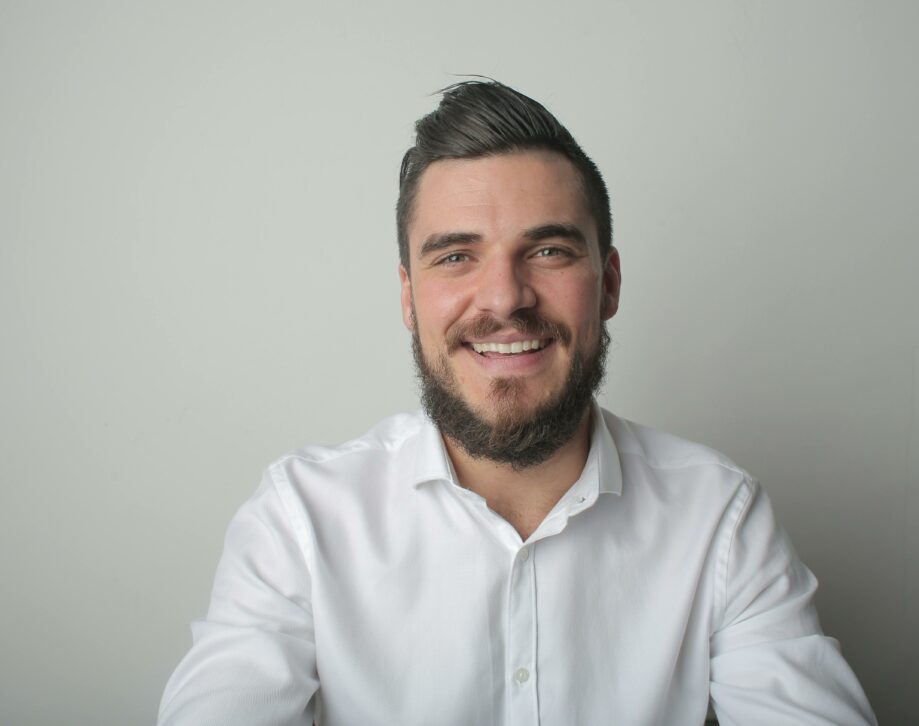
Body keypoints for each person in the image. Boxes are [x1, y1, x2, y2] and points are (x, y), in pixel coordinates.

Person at [158, 80, 876, 725]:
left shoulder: (721, 519)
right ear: (409, 297)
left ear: (610, 283)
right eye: (455, 256)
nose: (505, 298)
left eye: (550, 251)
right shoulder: (300, 521)